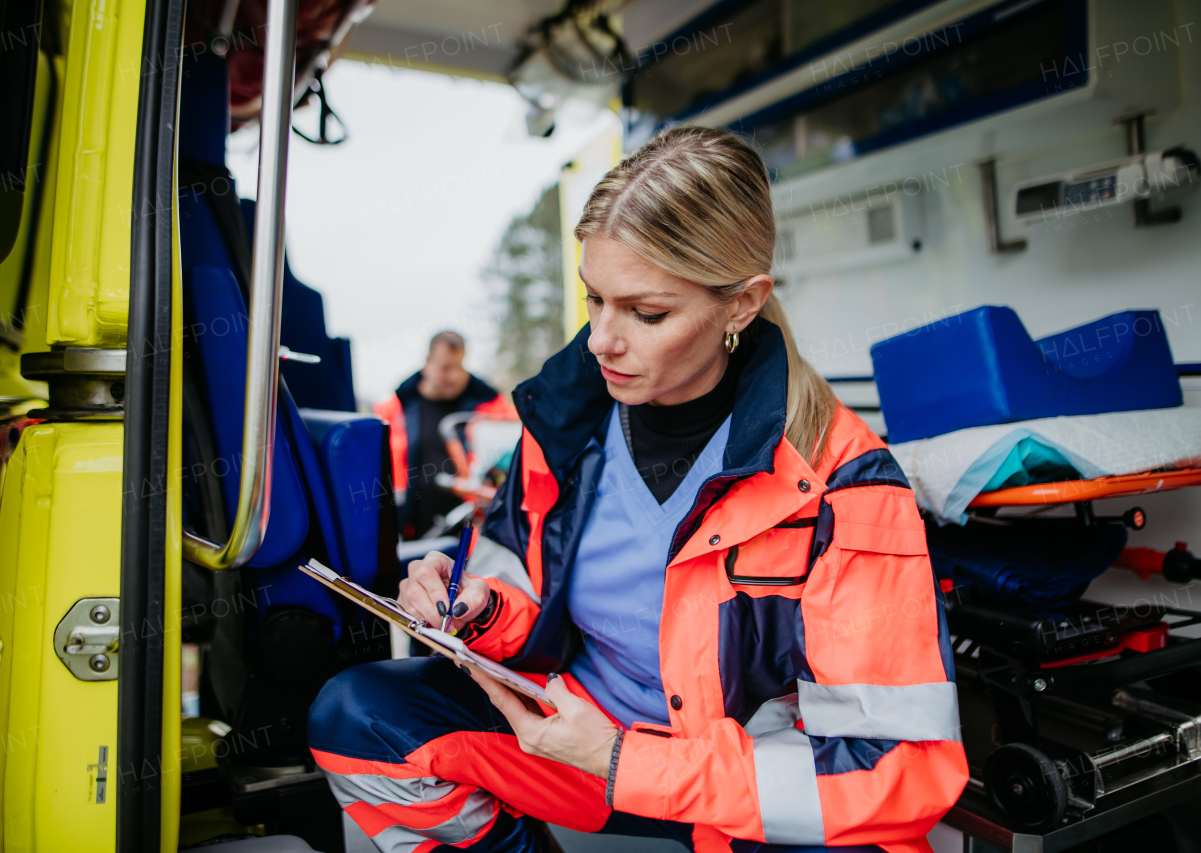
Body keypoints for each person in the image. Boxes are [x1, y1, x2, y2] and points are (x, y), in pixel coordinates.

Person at [310, 127, 967, 853]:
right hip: (572, 738)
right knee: (358, 717)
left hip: (741, 781)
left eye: (645, 313)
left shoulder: (844, 479)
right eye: (594, 298)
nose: (600, 339)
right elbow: (524, 601)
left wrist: (628, 761)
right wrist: (476, 608)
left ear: (741, 305)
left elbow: (896, 769)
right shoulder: (562, 428)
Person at [374, 331, 512, 539]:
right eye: (446, 368)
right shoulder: (395, 408)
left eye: (459, 366)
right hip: (411, 525)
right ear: (428, 363)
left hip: (473, 527)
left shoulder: (491, 406)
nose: (454, 376)